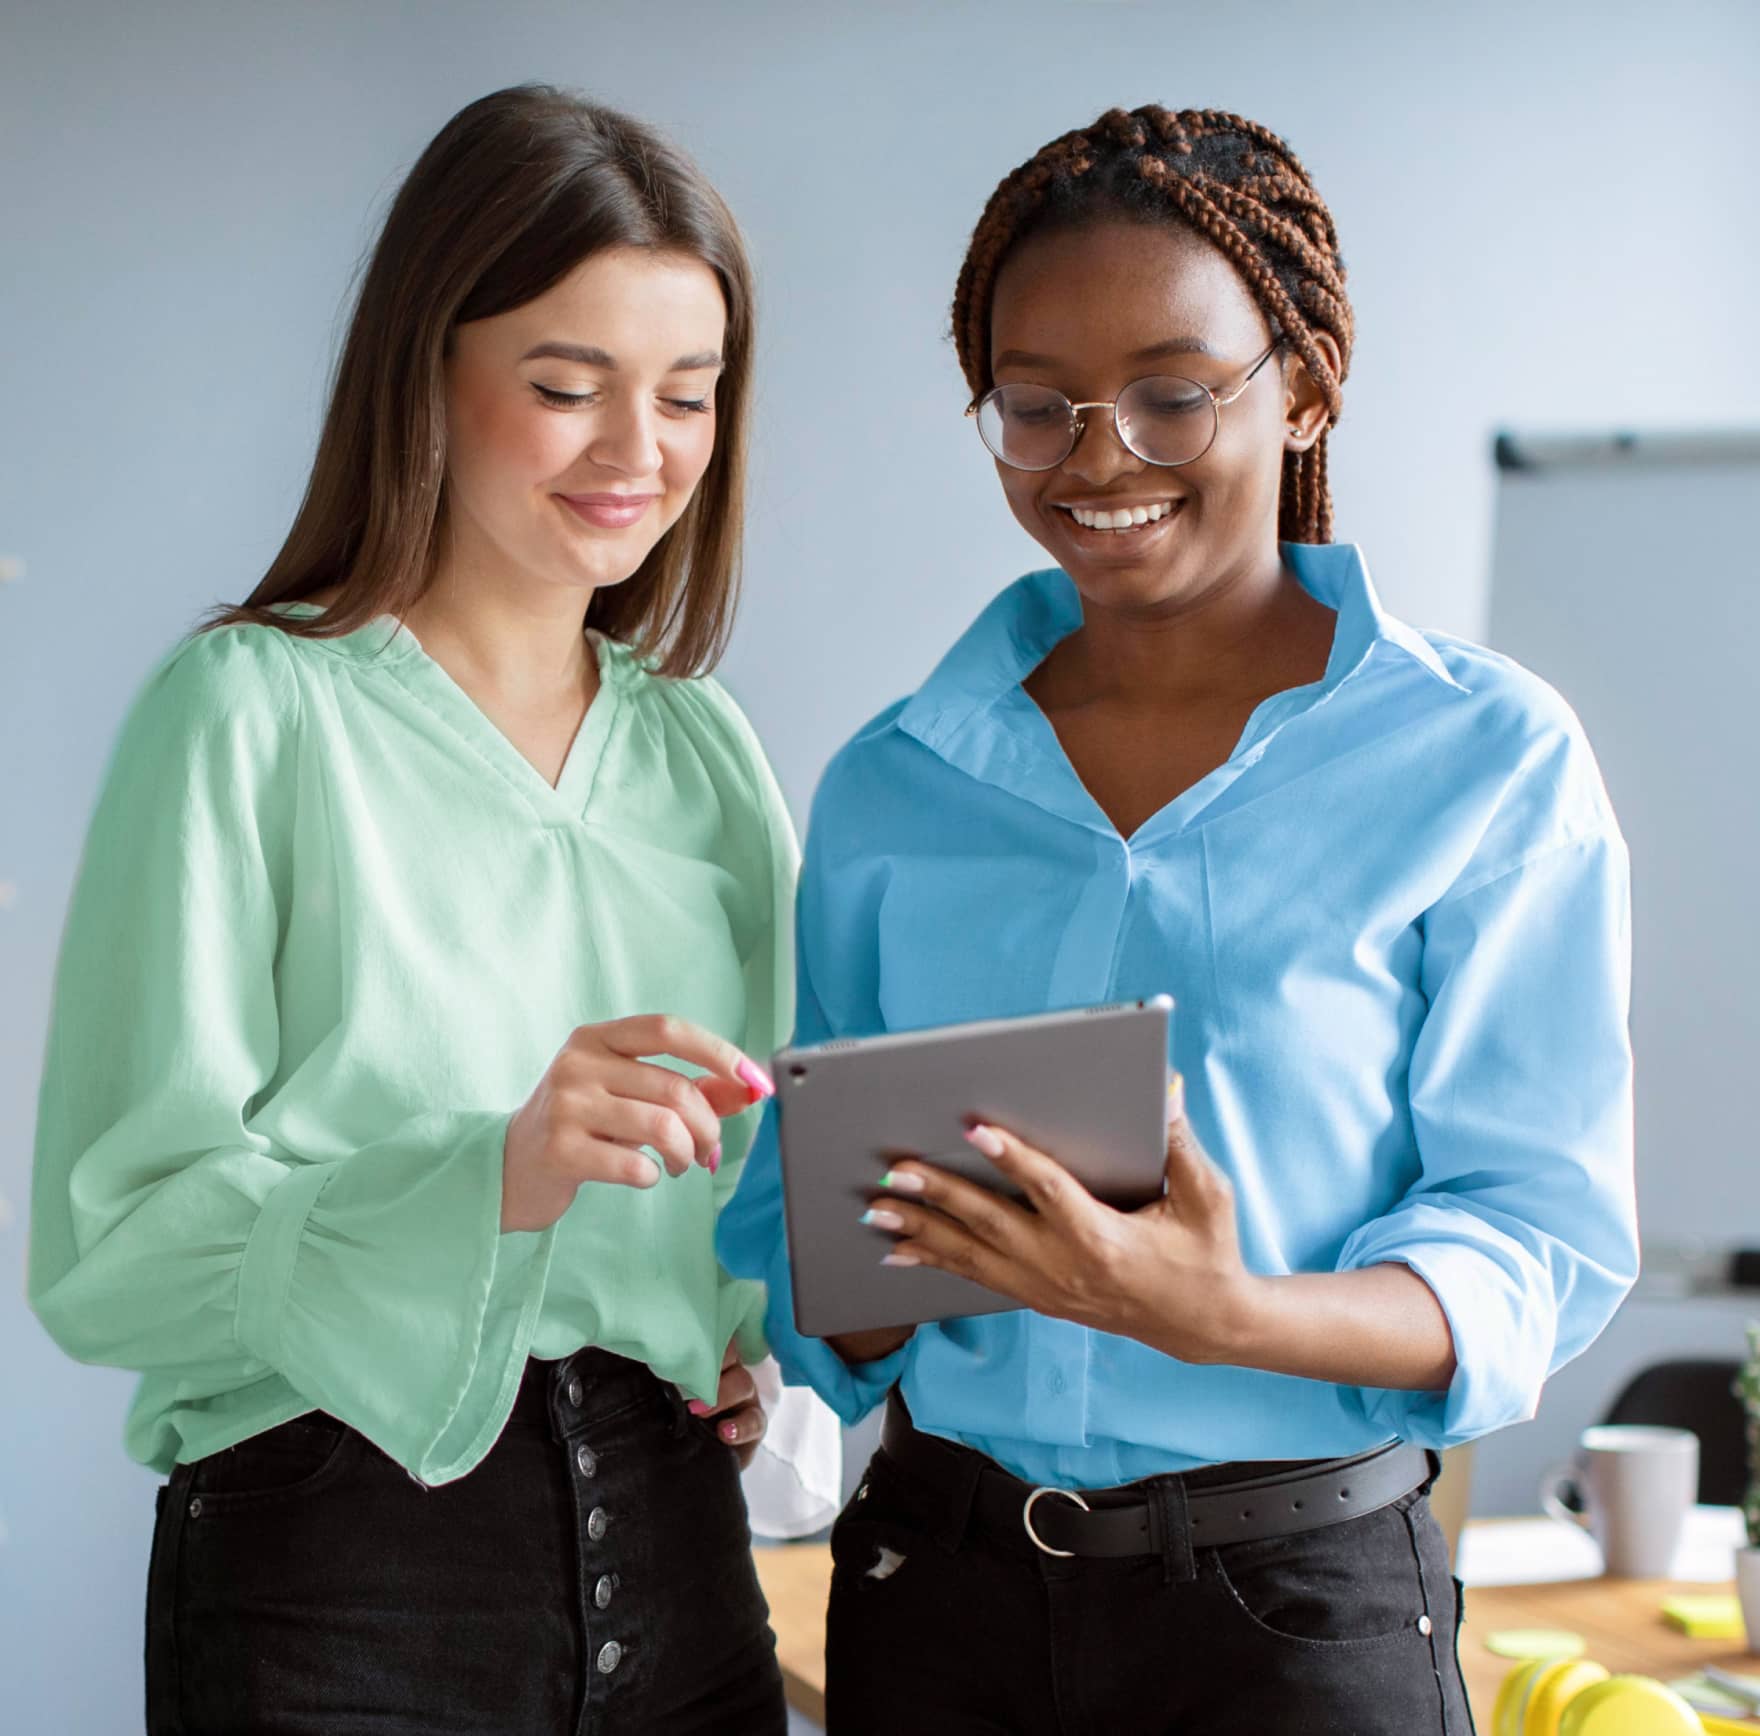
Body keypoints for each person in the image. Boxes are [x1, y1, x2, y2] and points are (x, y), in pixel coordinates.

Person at [720, 104, 1636, 1734]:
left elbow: (1532, 1234)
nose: (1097, 457)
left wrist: (1219, 1314)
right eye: (1036, 405)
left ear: (1307, 383)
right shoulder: (891, 783)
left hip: (1293, 1612)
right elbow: (814, 1270)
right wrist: (863, 1274)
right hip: (941, 1594)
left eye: (1170, 393)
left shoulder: (1486, 760)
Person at [29, 83, 826, 1736]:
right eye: (566, 387)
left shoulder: (703, 754)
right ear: (428, 373)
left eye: (690, 396)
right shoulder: (247, 712)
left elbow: (766, 1205)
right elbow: (112, 1253)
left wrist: (773, 1339)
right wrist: (493, 1174)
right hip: (344, 1585)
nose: (640, 453)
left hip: (683, 1573)